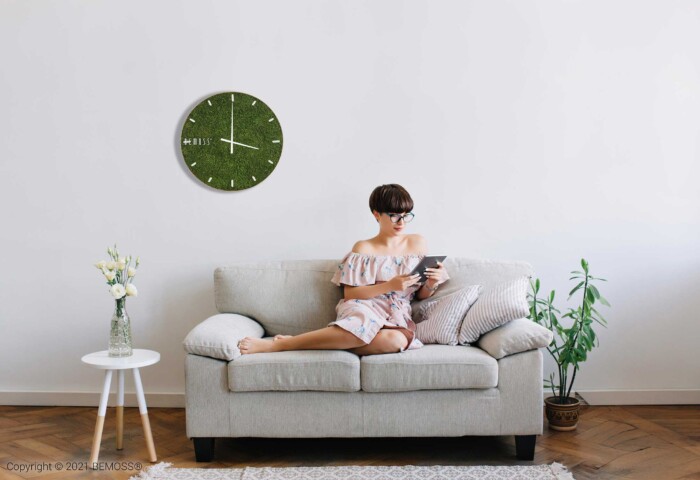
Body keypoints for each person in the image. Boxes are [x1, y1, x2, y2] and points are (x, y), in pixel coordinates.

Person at [238, 183, 450, 355]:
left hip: (397, 312)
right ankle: (280, 345)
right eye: (394, 215)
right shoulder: (363, 248)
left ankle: (329, 341)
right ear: (377, 214)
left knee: (395, 341)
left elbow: (420, 295)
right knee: (360, 326)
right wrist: (389, 285)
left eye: (406, 215)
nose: (401, 222)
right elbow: (350, 294)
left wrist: (431, 284)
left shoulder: (418, 243)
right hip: (364, 306)